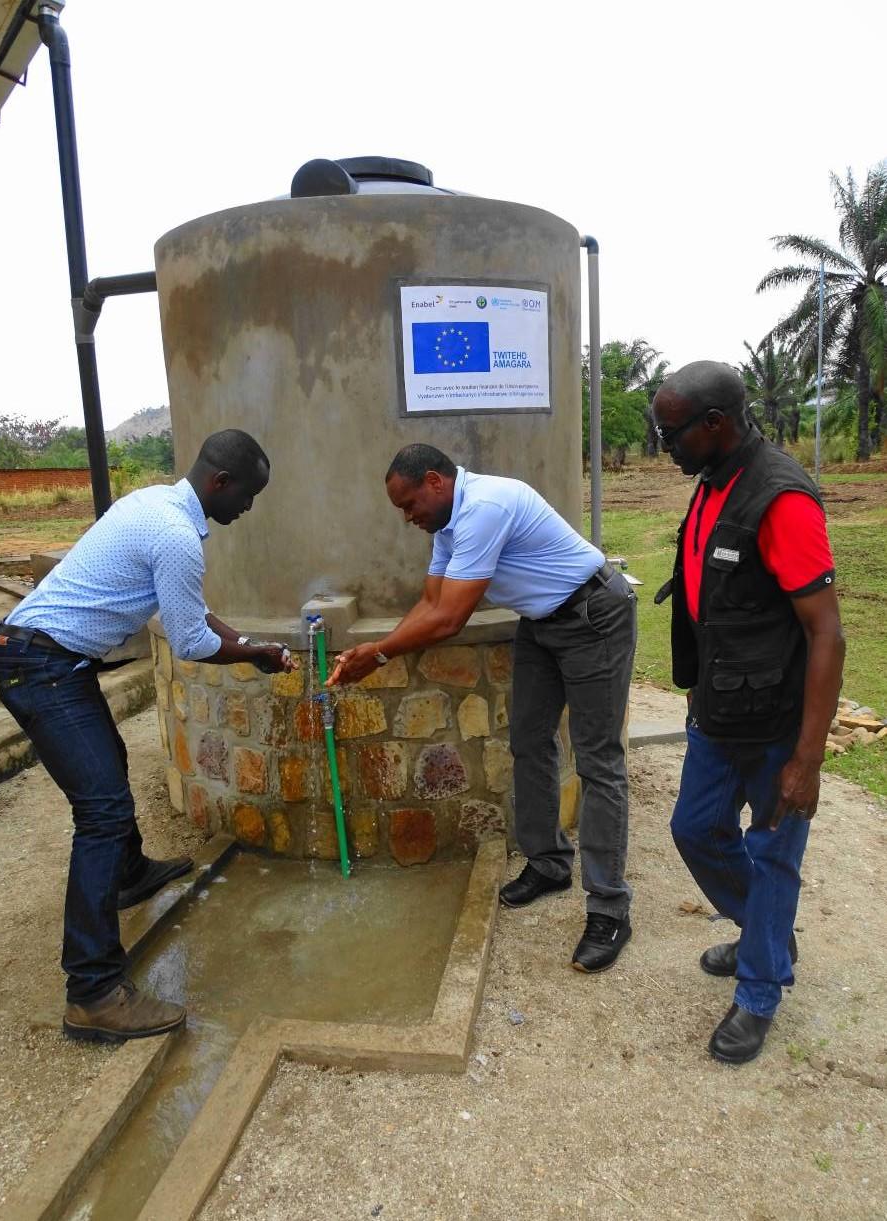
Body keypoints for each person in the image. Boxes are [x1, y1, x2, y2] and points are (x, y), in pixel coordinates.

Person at [0, 429, 295, 1043]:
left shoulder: (151, 504)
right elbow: (190, 641)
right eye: (250, 496)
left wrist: (250, 642)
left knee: (110, 764)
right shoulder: (178, 535)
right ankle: (94, 992)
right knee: (101, 811)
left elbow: (191, 608)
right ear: (220, 484)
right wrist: (252, 654)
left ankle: (128, 875)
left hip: (43, 656)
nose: (249, 509)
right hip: (40, 666)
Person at [328, 444, 637, 972]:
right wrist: (375, 653)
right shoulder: (446, 526)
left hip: (593, 615)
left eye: (409, 505)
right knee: (528, 742)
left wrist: (377, 653)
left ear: (435, 481)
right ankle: (549, 864)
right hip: (543, 623)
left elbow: (449, 619)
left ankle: (609, 908)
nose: (408, 518)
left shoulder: (484, 508)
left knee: (597, 761)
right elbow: (431, 601)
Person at [651, 361, 845, 1065]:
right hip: (719, 707)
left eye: (670, 432)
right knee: (693, 828)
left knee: (771, 856)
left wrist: (808, 757)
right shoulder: (712, 479)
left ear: (715, 425)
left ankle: (760, 989)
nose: (661, 445)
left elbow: (826, 632)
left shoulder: (781, 497)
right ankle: (764, 929)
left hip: (774, 724)